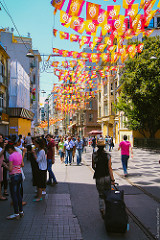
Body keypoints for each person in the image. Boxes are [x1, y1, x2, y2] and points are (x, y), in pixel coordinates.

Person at [92, 138, 115, 219]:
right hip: (107, 177)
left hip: (98, 177)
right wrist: (113, 179)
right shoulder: (108, 155)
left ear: (97, 146)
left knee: (101, 194)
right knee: (107, 194)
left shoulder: (94, 155)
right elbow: (110, 168)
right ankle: (108, 209)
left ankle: (102, 209)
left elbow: (93, 166)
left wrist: (98, 170)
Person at [4, 143, 24, 220]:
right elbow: (22, 165)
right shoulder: (19, 154)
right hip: (19, 175)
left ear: (10, 149)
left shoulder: (11, 156)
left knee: (14, 195)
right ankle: (21, 211)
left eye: (8, 151)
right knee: (18, 194)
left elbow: (10, 169)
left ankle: (16, 213)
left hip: (13, 176)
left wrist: (6, 165)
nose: (8, 153)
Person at [0, 134, 8, 200]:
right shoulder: (2, 147)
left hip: (2, 164)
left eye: (2, 138)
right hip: (1, 165)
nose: (2, 139)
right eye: (0, 138)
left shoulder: (2, 146)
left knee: (4, 179)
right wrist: (4, 148)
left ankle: (4, 191)